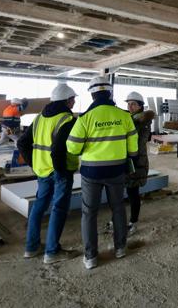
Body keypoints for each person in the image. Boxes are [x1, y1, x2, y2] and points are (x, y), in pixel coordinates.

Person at [66, 76, 138, 270]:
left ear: (92, 94)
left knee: (89, 213)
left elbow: (72, 147)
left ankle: (91, 257)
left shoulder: (85, 118)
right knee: (118, 209)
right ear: (110, 93)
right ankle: (120, 248)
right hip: (117, 171)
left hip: (92, 173)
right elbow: (133, 149)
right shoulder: (124, 116)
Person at [18, 84, 79, 264]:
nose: (74, 102)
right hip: (59, 171)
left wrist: (34, 163)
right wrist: (62, 172)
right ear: (67, 100)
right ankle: (52, 252)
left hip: (42, 170)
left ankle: (31, 247)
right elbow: (59, 150)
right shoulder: (67, 119)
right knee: (59, 208)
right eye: (73, 99)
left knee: (39, 206)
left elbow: (22, 143)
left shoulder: (39, 118)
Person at [122, 91, 155, 235]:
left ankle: (133, 222)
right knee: (125, 191)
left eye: (133, 104)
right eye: (128, 104)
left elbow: (137, 141)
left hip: (136, 162)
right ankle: (118, 219)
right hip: (128, 159)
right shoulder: (133, 119)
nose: (130, 107)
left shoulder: (140, 122)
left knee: (133, 192)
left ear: (140, 106)